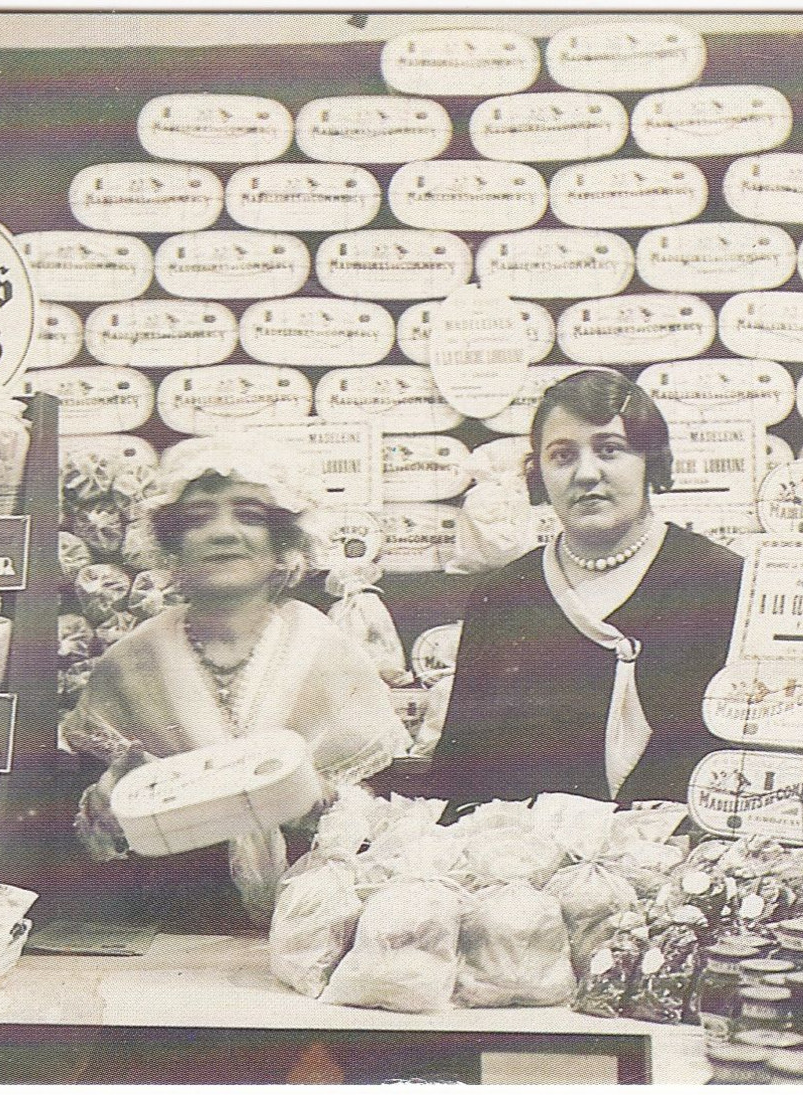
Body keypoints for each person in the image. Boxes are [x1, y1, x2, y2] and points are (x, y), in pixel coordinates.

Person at [62, 439, 407, 927]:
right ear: (171, 546)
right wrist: (110, 804)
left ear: (282, 543)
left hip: (317, 919)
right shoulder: (129, 664)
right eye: (199, 518)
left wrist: (329, 803)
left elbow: (378, 811)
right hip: (168, 928)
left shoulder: (330, 653)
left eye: (248, 515)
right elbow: (94, 846)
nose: (223, 533)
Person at [427, 366, 746, 811]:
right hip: (523, 866)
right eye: (562, 456)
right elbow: (460, 776)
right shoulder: (501, 597)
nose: (586, 474)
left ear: (650, 461)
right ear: (538, 473)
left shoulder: (719, 582)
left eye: (610, 450)